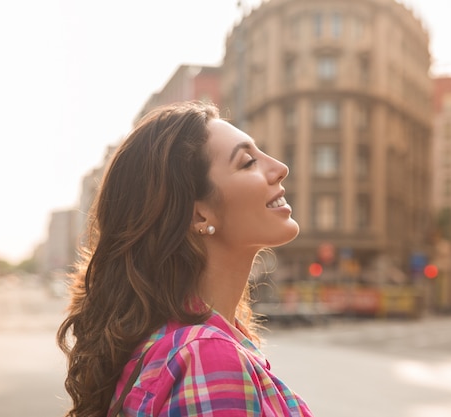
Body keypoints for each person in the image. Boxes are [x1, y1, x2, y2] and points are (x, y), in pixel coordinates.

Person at [57, 101, 314, 417]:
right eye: (248, 162)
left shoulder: (174, 340)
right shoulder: (208, 356)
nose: (279, 168)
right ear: (198, 213)